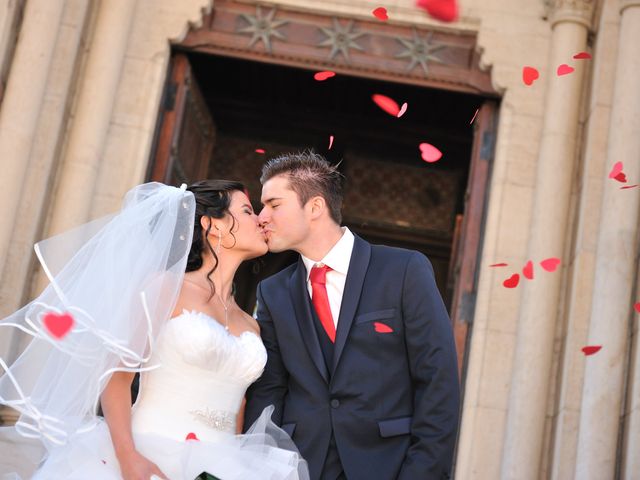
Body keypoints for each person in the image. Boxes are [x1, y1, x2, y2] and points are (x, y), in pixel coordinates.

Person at [0, 181, 308, 480]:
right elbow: (116, 378)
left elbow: (239, 404)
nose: (260, 219)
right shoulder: (166, 288)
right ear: (213, 225)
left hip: (222, 463)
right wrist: (128, 457)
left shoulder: (249, 322)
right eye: (247, 211)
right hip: (149, 453)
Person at [244, 151, 460, 480]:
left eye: (274, 205)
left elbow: (437, 380)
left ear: (315, 207)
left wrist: (423, 472)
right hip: (300, 467)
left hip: (389, 465)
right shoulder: (272, 292)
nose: (262, 217)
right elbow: (268, 392)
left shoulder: (403, 271)